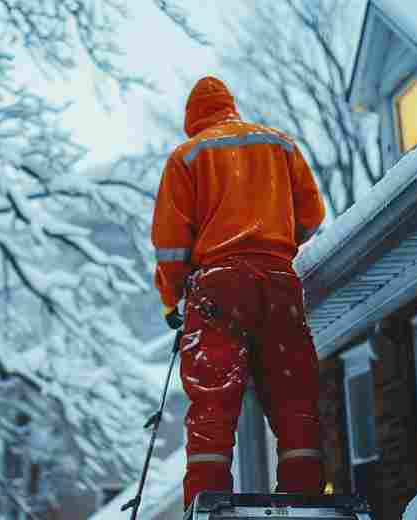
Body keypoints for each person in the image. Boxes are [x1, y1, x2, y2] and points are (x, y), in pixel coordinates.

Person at [151, 76, 326, 509]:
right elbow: (312, 215)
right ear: (231, 106)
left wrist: (172, 300)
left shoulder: (187, 156)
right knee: (294, 395)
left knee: (212, 402)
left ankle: (207, 503)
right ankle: (303, 497)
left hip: (218, 287)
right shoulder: (279, 145)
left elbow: (170, 246)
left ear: (193, 119)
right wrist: (274, 243)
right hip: (279, 283)